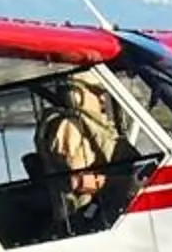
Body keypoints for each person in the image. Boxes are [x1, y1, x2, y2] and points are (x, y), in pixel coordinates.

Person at [35, 68, 123, 230]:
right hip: (82, 212)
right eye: (95, 93)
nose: (102, 99)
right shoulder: (69, 126)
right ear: (77, 95)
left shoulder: (84, 123)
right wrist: (111, 180)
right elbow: (79, 181)